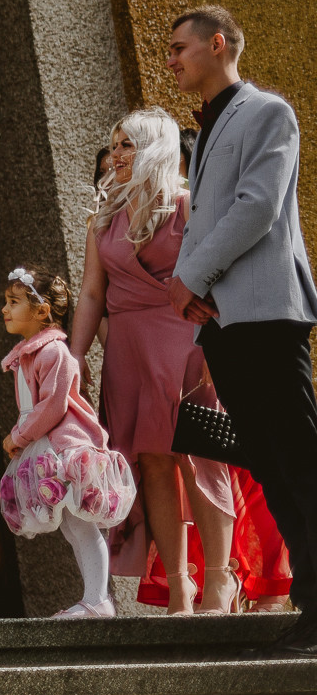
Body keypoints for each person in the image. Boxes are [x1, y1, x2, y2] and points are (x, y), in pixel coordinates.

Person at [166, 4, 317, 656]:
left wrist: (191, 276)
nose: (171, 59)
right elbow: (204, 219)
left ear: (218, 43)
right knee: (273, 469)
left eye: (179, 47)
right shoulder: (204, 131)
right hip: (225, 323)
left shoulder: (267, 112)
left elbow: (257, 206)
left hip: (268, 315)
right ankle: (312, 607)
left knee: (300, 458)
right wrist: (192, 287)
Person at [68, 108, 236, 614]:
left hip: (185, 342)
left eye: (128, 145)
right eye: (115, 144)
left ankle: (220, 579)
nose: (115, 154)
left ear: (155, 148)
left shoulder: (187, 205)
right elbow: (91, 293)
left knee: (197, 457)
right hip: (128, 350)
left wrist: (222, 343)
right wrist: (75, 356)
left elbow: (222, 276)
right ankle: (179, 587)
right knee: (153, 463)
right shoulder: (102, 219)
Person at [0, 264, 136, 617]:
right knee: (73, 528)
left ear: (42, 310)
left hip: (66, 449)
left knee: (81, 525)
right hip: (47, 448)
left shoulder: (54, 353)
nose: (4, 309)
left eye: (13, 301)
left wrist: (19, 435)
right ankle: (93, 597)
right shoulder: (29, 355)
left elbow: (53, 405)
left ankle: (98, 600)